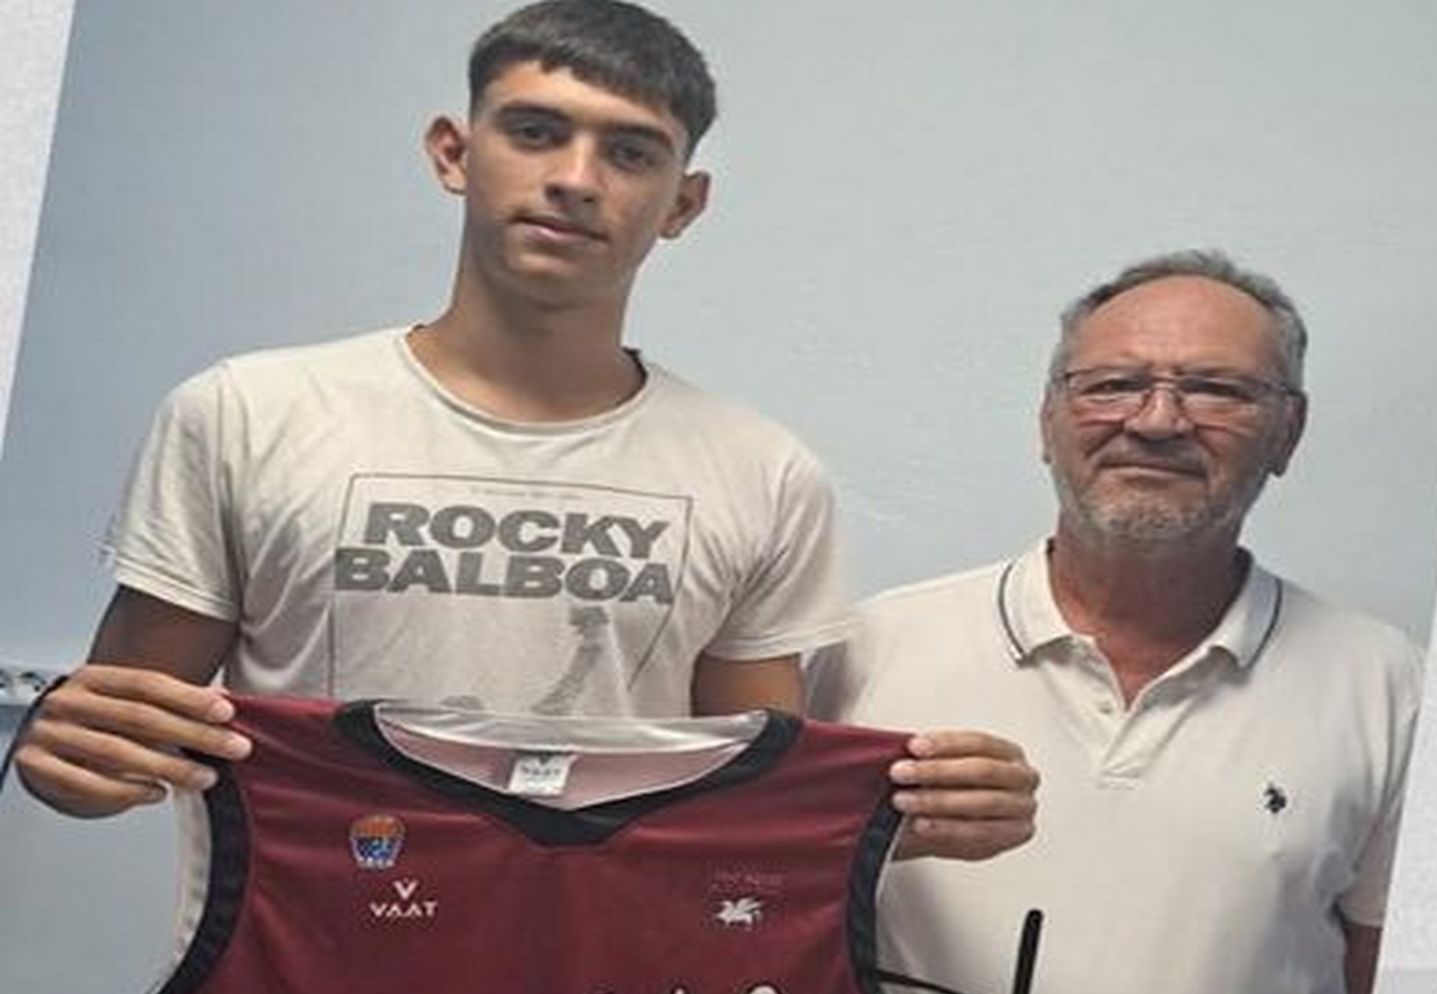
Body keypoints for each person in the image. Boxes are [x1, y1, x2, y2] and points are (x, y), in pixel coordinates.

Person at [13, 0, 1035, 864]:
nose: (578, 178)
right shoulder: (245, 415)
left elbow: (747, 803)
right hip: (296, 973)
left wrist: (912, 816)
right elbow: (110, 753)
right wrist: (63, 755)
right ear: (453, 153)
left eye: (629, 152)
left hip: (604, 987)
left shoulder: (761, 472)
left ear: (683, 203)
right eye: (537, 131)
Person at [809, 250, 1423, 994]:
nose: (1158, 421)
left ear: (1288, 432)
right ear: (1047, 420)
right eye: (1113, 385)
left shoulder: (1388, 688)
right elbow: (754, 916)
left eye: (1216, 390)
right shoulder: (866, 652)